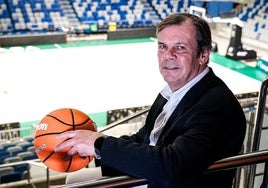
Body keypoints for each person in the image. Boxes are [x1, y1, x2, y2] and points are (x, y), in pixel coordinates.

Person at [54, 13, 246, 188]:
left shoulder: (215, 105)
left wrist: (100, 145)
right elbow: (146, 138)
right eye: (162, 47)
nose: (168, 56)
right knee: (72, 180)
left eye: (180, 47)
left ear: (203, 55)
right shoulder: (174, 90)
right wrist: (94, 149)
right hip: (153, 174)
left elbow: (174, 166)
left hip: (168, 180)